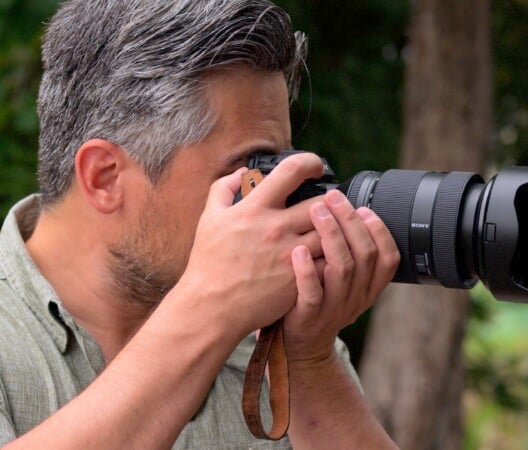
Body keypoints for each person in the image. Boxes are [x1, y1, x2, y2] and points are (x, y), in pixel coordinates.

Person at [0, 0, 400, 448]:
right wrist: (211, 309)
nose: (277, 204)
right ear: (105, 178)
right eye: (250, 174)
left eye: (275, 168)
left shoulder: (267, 329)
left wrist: (310, 359)